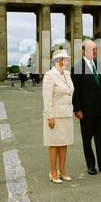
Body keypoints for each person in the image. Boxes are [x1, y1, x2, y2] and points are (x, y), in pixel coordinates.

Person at [71, 39, 101, 175]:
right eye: (92, 49)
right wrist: (77, 109)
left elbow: (100, 89)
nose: (95, 51)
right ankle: (91, 165)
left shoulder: (99, 65)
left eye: (96, 49)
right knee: (87, 139)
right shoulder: (77, 68)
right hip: (85, 110)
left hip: (100, 109)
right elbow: (76, 91)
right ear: (84, 51)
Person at [42, 49, 74, 184]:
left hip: (66, 113)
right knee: (54, 144)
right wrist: (50, 116)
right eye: (61, 59)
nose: (64, 62)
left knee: (64, 143)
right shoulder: (49, 75)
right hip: (55, 115)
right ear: (55, 61)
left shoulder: (67, 74)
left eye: (65, 59)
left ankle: (62, 170)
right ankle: (53, 171)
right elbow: (47, 98)